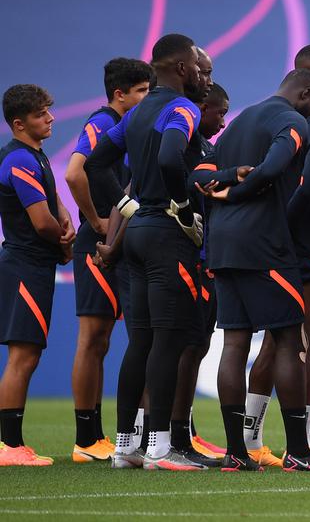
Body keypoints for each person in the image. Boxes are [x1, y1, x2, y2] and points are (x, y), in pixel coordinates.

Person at [196, 69, 310, 472]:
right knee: (289, 340)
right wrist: (242, 189)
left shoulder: (241, 120)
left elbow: (200, 174)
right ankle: (298, 450)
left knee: (234, 344)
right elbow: (276, 165)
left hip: (223, 246)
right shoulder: (292, 120)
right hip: (263, 244)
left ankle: (236, 454)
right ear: (307, 92)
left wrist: (226, 182)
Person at [84, 33, 209, 471]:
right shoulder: (182, 108)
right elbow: (174, 157)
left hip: (136, 232)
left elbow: (95, 164)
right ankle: (160, 448)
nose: (199, 72)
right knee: (168, 339)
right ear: (179, 67)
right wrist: (184, 207)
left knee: (139, 341)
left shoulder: (135, 113)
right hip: (165, 234)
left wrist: (125, 205)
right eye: (195, 64)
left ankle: (125, 447)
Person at [241, 44, 310, 464]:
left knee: (272, 345)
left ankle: (249, 440)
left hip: (271, 250)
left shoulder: (264, 119)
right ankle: (303, 444)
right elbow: (307, 188)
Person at [63, 58, 152, 462]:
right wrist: (95, 219)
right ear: (121, 94)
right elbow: (74, 172)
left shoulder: (130, 126)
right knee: (94, 338)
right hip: (100, 243)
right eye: (143, 92)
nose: (149, 98)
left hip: (122, 240)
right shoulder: (102, 123)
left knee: (135, 338)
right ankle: (86, 439)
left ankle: (139, 434)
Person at [0, 84, 72, 466]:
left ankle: (12, 445)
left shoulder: (36, 156)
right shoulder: (18, 160)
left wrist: (67, 224)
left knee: (28, 354)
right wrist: (63, 240)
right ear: (18, 123)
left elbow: (55, 204)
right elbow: (42, 223)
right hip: (25, 266)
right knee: (22, 356)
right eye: (42, 114)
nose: (51, 118)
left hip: (35, 265)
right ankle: (10, 447)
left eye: (50, 109)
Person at [171, 80, 231, 468]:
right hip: (184, 257)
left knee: (196, 346)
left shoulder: (205, 147)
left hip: (202, 258)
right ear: (201, 108)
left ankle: (180, 433)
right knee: (178, 347)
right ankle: (164, 436)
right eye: (219, 112)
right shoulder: (181, 147)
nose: (223, 121)